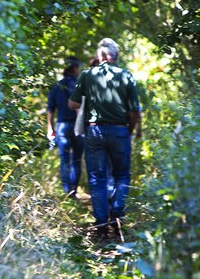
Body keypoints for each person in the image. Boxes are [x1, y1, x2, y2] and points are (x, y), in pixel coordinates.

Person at [68, 39, 142, 237]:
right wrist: (130, 130)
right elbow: (134, 110)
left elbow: (72, 105)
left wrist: (89, 97)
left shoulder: (87, 75)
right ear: (116, 56)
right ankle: (117, 215)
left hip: (94, 131)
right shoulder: (126, 75)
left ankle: (101, 223)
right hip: (120, 131)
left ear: (99, 57)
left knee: (97, 178)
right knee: (122, 175)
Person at [47, 56, 84, 197]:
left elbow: (50, 109)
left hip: (62, 127)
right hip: (78, 127)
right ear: (74, 69)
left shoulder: (57, 86)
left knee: (65, 160)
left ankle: (67, 191)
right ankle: (73, 190)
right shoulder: (80, 85)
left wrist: (50, 128)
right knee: (76, 159)